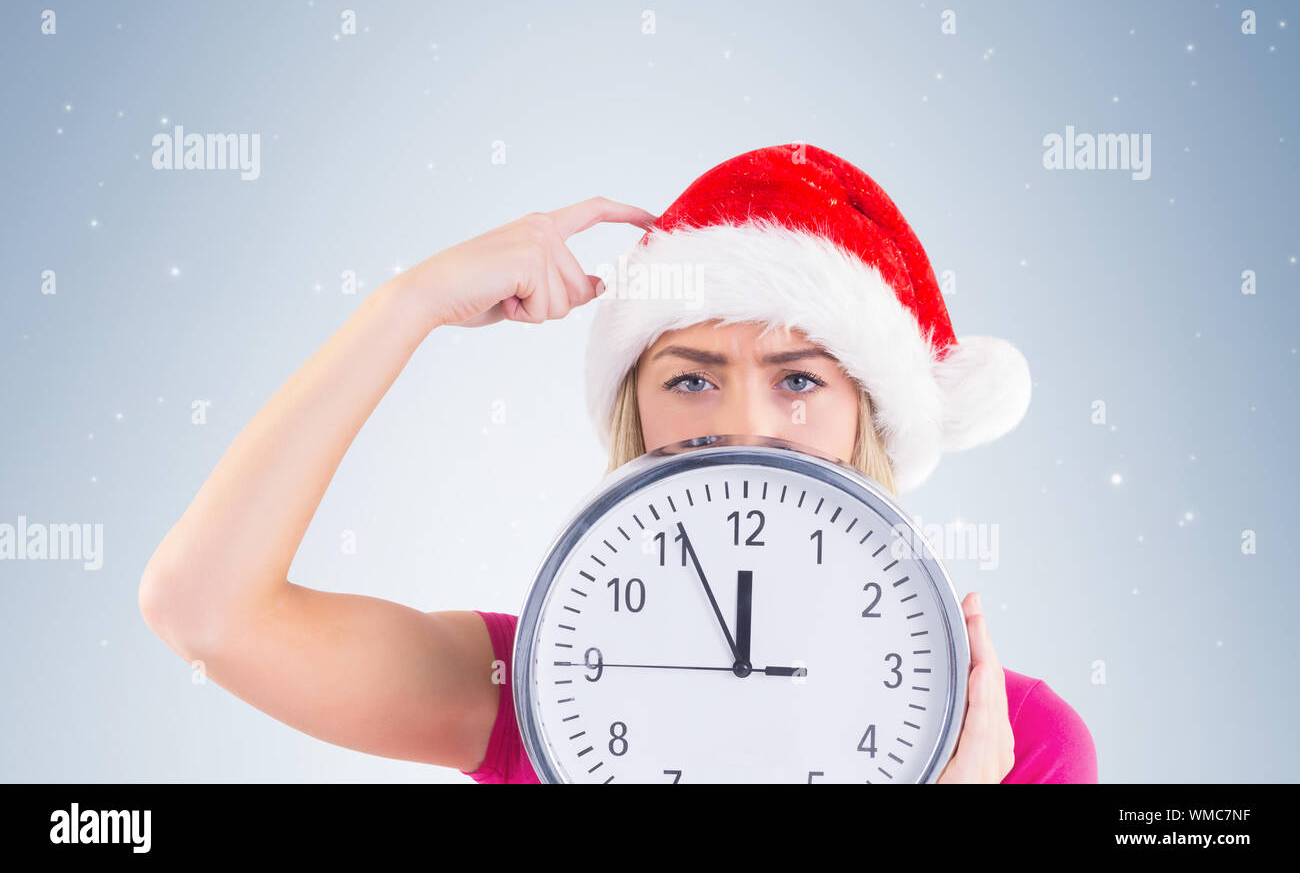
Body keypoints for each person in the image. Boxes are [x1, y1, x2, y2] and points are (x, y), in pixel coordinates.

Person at [139, 142, 1098, 785]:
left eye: (799, 379)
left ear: (868, 413)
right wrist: (411, 302)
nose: (744, 426)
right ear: (635, 407)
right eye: (690, 380)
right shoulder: (531, 692)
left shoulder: (1017, 743)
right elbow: (203, 613)